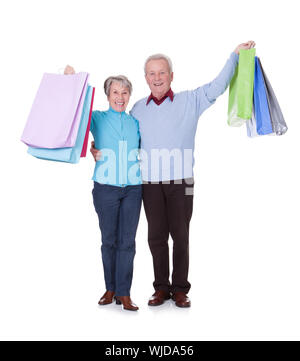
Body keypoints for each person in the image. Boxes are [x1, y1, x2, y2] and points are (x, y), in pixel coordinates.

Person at [90, 41, 256, 308]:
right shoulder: (136, 110)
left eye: (162, 72)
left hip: (183, 182)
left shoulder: (191, 100)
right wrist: (95, 148)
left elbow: (218, 85)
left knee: (181, 235)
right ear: (146, 78)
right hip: (149, 182)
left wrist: (234, 56)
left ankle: (180, 289)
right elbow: (119, 137)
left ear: (171, 76)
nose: (157, 78)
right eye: (152, 74)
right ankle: (160, 289)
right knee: (156, 237)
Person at [65, 66, 142, 311]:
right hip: (105, 189)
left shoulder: (136, 122)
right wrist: (71, 82)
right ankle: (110, 289)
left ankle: (124, 293)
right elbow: (74, 111)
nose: (120, 97)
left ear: (130, 95)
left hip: (133, 188)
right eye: (115, 92)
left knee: (127, 242)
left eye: (125, 92)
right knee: (109, 240)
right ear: (108, 96)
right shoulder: (97, 117)